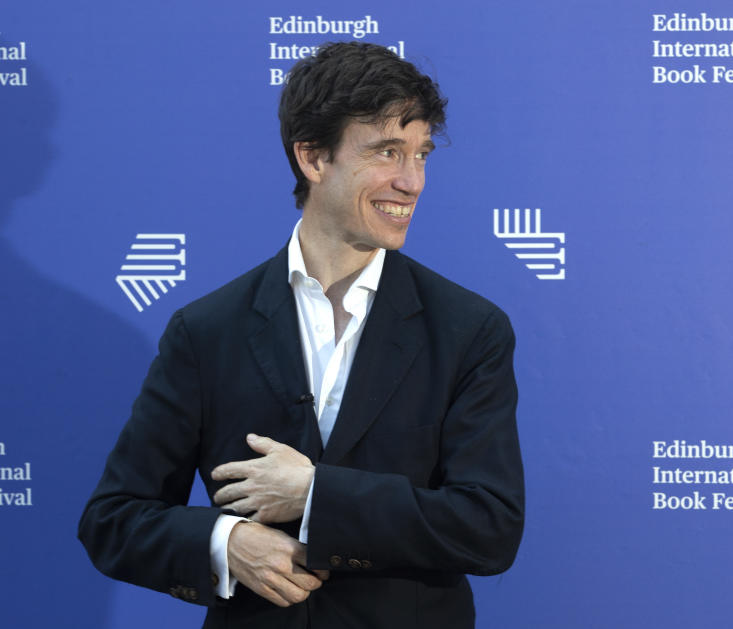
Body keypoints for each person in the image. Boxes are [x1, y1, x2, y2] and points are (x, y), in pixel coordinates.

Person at [78, 41, 524, 629]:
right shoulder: (206, 330)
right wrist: (226, 542)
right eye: (388, 152)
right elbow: (113, 520)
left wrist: (317, 496)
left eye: (421, 154)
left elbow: (489, 527)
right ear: (313, 158)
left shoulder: (470, 329)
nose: (411, 181)